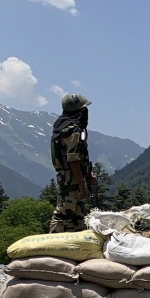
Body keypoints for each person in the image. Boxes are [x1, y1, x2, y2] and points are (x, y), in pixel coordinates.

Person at [49, 94, 95, 233]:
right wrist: (82, 185)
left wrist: (87, 177)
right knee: (63, 214)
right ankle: (53, 242)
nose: (86, 112)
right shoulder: (73, 129)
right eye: (84, 109)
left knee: (77, 216)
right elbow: (73, 159)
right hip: (72, 180)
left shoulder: (63, 126)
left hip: (71, 178)